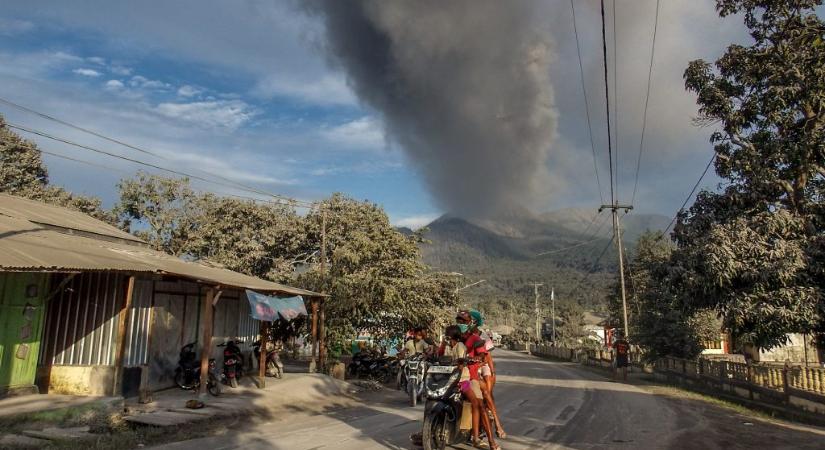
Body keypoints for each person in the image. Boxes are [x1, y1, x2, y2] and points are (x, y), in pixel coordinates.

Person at [457, 311, 499, 450]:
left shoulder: (475, 339)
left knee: (479, 404)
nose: (460, 323)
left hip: (469, 377)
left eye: (463, 321)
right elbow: (440, 352)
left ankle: (490, 441)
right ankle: (426, 430)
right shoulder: (454, 337)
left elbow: (483, 354)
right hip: (451, 377)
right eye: (459, 320)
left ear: (471, 323)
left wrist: (478, 359)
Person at [468, 310, 506, 439]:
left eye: (470, 320)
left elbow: (487, 356)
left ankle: (497, 424)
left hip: (482, 364)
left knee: (486, 393)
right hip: (469, 364)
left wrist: (491, 370)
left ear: (475, 322)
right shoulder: (463, 334)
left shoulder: (483, 336)